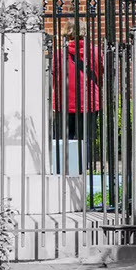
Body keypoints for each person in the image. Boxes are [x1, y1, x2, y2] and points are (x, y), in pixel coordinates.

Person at [50, 19, 102, 171]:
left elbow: (54, 78)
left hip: (64, 103)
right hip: (89, 102)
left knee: (62, 140)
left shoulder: (59, 54)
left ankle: (63, 170)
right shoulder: (94, 52)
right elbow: (100, 73)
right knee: (86, 139)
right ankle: (83, 171)